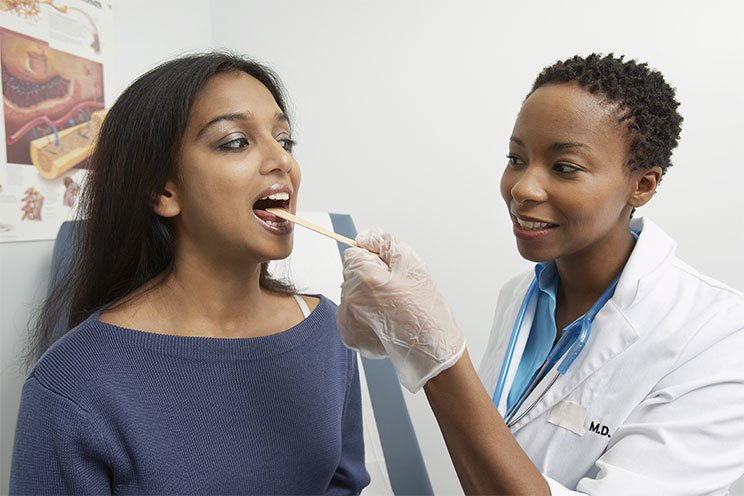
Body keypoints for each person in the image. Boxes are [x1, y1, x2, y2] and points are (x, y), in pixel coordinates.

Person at [337, 53, 744, 495]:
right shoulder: (520, 296)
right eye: (516, 158)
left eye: (565, 167)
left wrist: (439, 362)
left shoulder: (718, 337)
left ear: (642, 185)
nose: (522, 188)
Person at [11, 52, 370, 495]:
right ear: (164, 190)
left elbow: (343, 485)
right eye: (236, 141)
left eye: (285, 140)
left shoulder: (329, 334)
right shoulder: (71, 384)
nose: (283, 161)